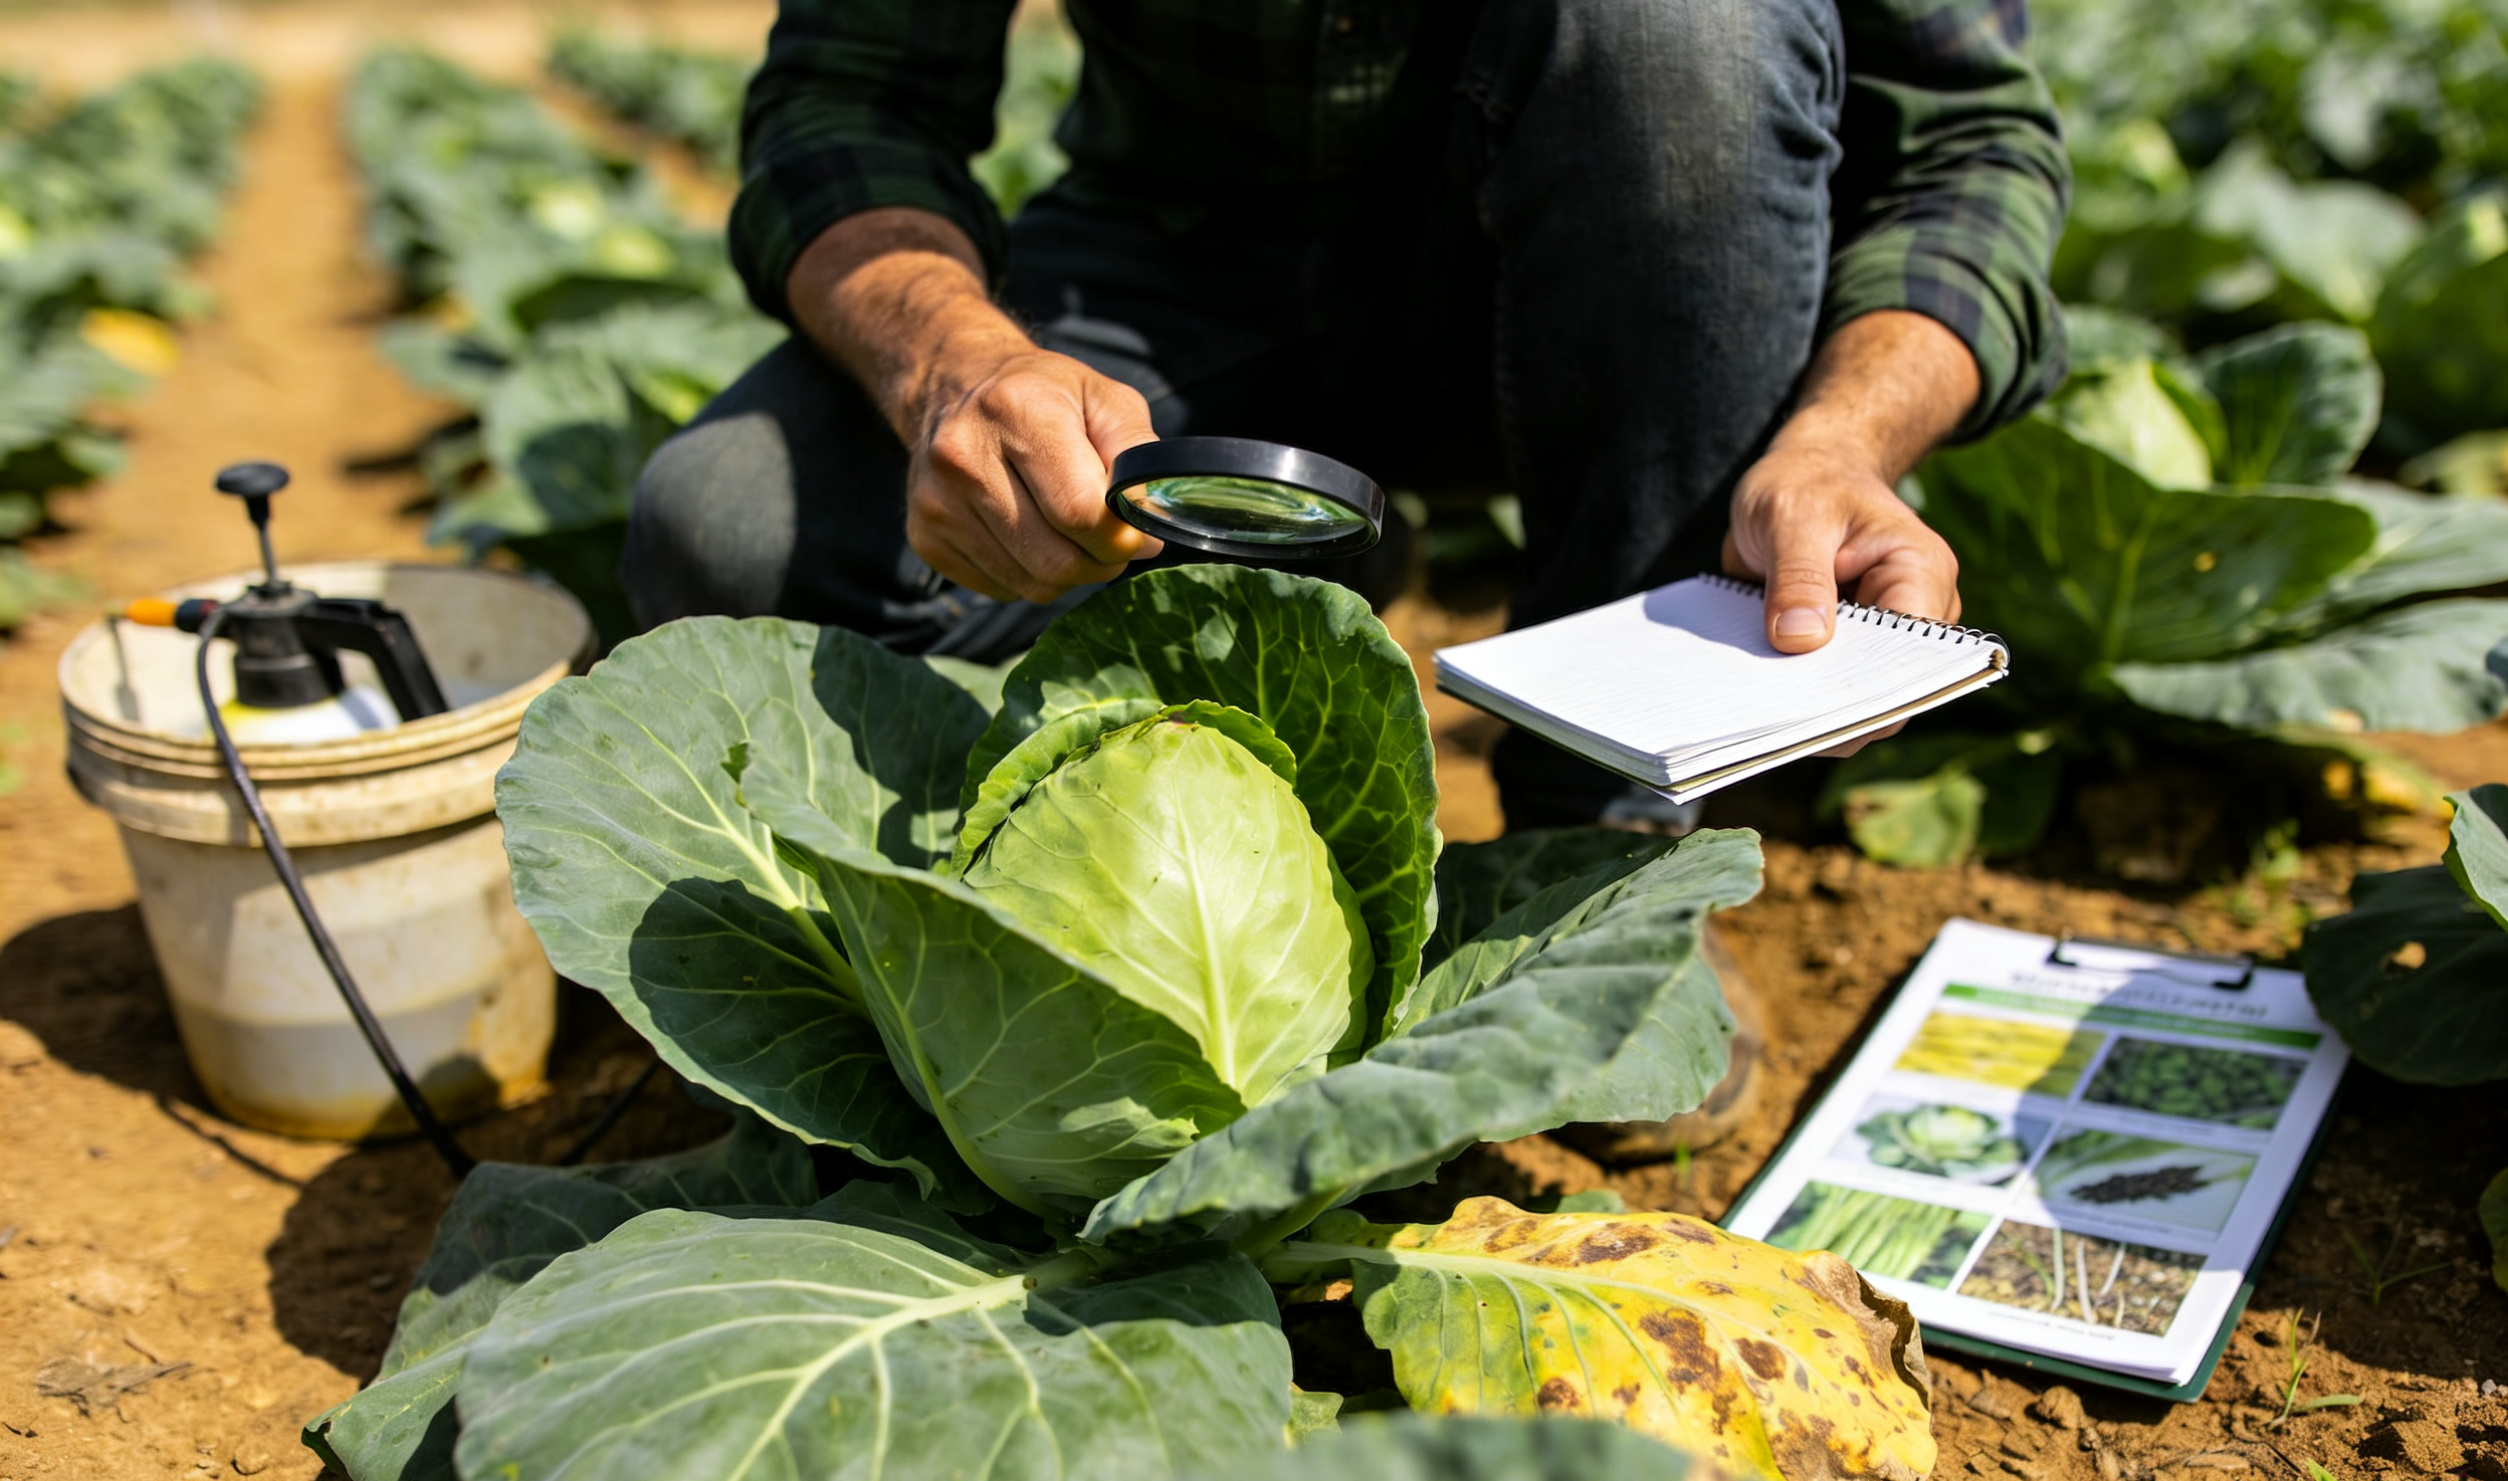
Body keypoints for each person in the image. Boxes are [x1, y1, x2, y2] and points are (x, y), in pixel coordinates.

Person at [624, 0, 2069, 1150]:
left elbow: (1972, 150)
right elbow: (849, 100)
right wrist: (956, 360)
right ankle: (1311, 576)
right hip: (1177, 266)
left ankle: (1608, 847)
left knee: (1676, 29)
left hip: (1598, 276)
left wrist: (1840, 436)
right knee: (735, 534)